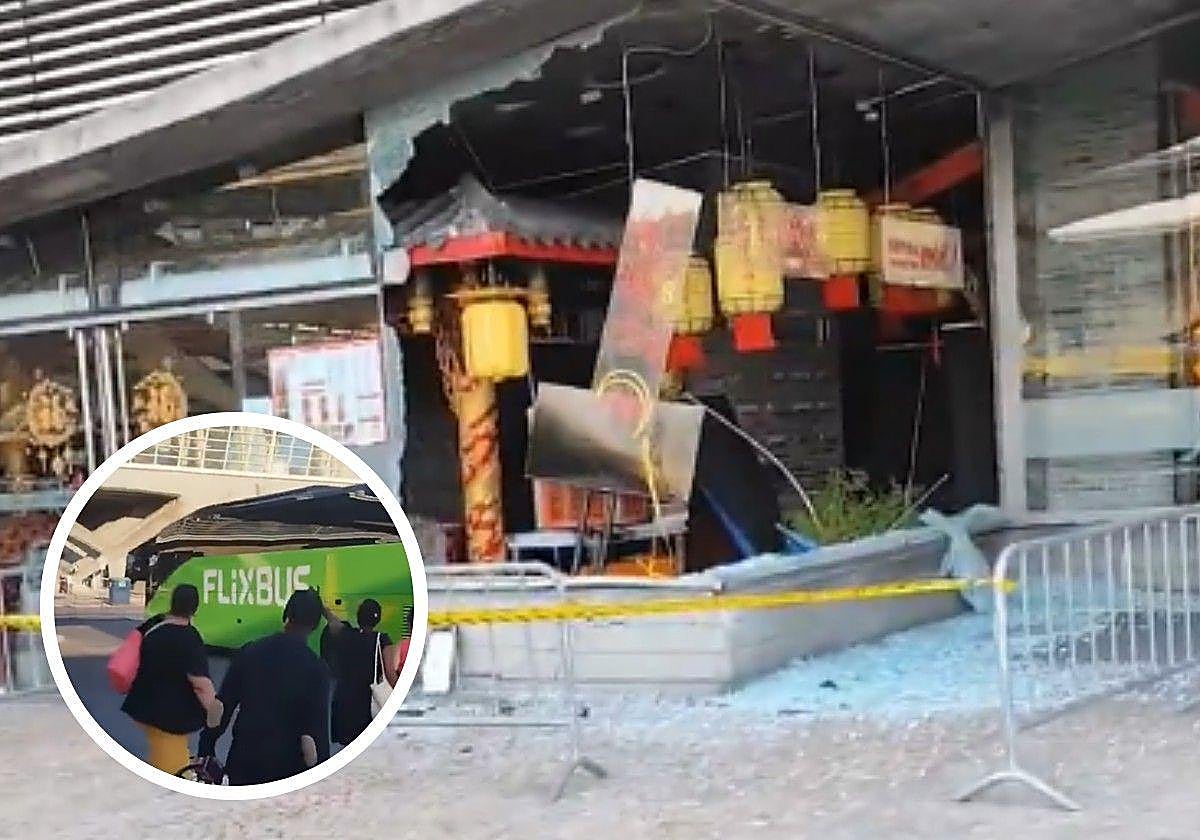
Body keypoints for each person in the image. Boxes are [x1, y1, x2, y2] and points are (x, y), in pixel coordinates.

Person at [198, 589, 331, 785]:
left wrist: (206, 747)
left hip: (244, 760)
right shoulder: (317, 669)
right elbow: (316, 732)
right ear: (316, 624)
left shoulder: (250, 651)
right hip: (288, 768)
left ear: (287, 614)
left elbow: (222, 706)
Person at [121, 583, 222, 775]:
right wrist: (215, 710)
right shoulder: (189, 638)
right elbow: (200, 684)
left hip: (144, 708)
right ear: (195, 608)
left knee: (163, 756)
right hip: (168, 719)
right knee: (175, 771)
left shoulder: (155, 628)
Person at [320, 597, 399, 747]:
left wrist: (322, 607)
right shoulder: (381, 640)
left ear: (358, 616)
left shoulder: (346, 634)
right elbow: (390, 673)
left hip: (344, 703)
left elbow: (332, 620)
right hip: (367, 703)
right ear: (378, 619)